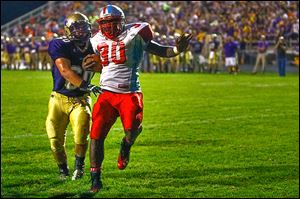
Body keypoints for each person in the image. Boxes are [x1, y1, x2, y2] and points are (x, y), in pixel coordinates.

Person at [82, 4, 192, 193]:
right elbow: (101, 63)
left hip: (129, 93)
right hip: (106, 93)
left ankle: (126, 144)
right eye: (105, 23)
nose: (108, 27)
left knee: (132, 131)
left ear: (122, 22)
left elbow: (159, 50)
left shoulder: (135, 33)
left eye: (112, 22)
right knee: (96, 135)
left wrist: (176, 50)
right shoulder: (96, 39)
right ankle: (95, 179)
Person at [45, 12, 102, 181]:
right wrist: (88, 85)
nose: (81, 31)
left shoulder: (95, 46)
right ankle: (63, 169)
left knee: (81, 135)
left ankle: (79, 166)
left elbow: (108, 66)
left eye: (84, 26)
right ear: (68, 30)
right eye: (76, 28)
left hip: (81, 100)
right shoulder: (59, 44)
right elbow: (65, 71)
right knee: (55, 140)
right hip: (58, 99)